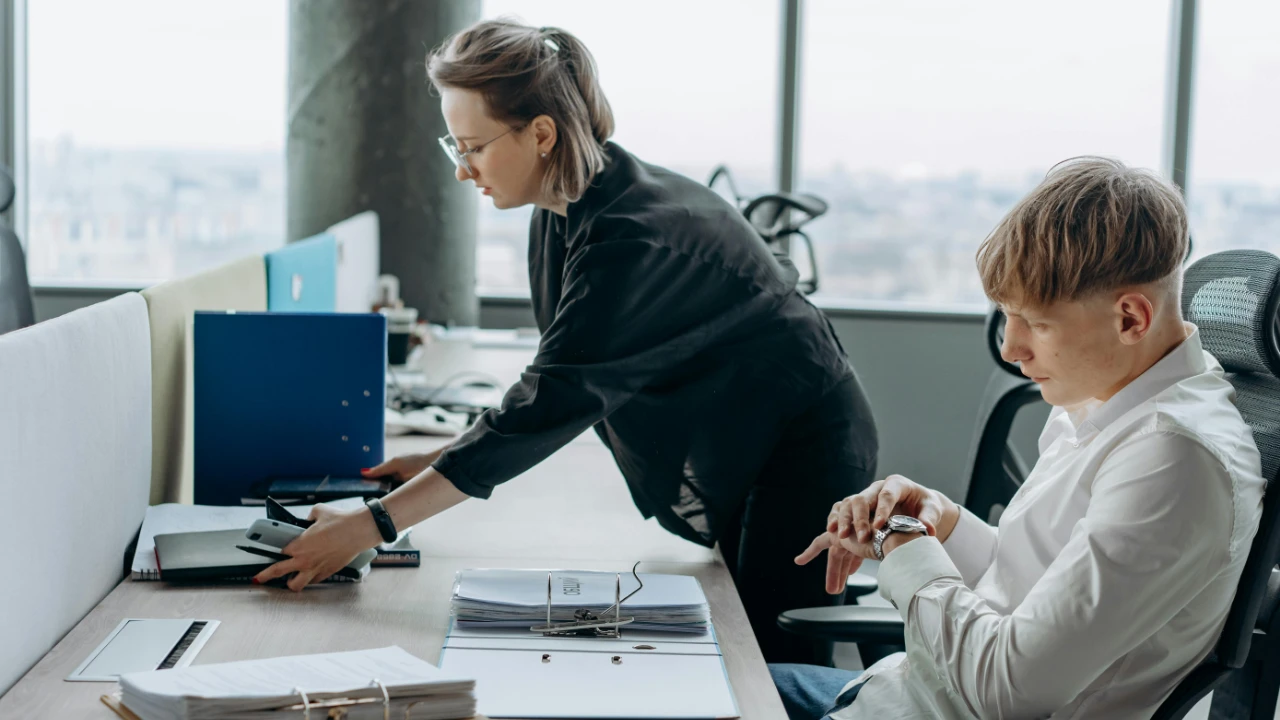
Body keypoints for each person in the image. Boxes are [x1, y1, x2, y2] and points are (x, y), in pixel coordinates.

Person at [253, 19, 878, 665]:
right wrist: (448, 459)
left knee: (771, 662)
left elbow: (556, 396)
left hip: (800, 446)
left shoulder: (632, 239)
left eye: (473, 147)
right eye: (454, 147)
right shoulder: (570, 203)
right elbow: (567, 372)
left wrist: (375, 523)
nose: (463, 171)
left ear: (542, 134)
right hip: (744, 431)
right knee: (745, 646)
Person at [769, 157, 1266, 719]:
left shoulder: (1173, 460)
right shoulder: (1107, 399)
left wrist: (905, 548)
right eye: (1006, 316)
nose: (1011, 348)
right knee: (703, 674)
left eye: (1037, 322)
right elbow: (1027, 582)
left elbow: (1009, 690)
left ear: (1130, 318)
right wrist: (942, 523)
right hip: (899, 694)